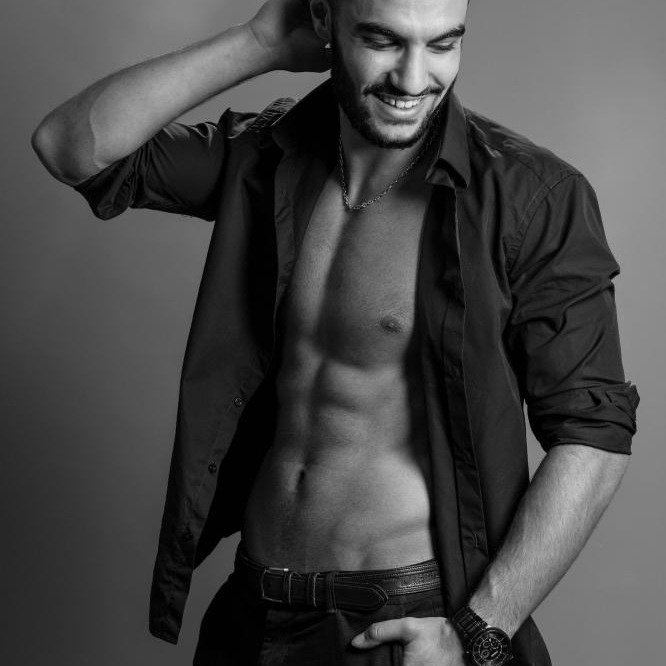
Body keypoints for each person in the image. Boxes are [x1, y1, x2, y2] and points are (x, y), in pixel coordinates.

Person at [31, 0, 640, 664]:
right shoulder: (266, 157)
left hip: (396, 624)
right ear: (325, 20)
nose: (414, 79)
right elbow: (71, 148)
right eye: (383, 41)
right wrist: (259, 42)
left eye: (443, 45)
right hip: (251, 609)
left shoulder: (530, 197)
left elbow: (593, 434)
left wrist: (478, 632)